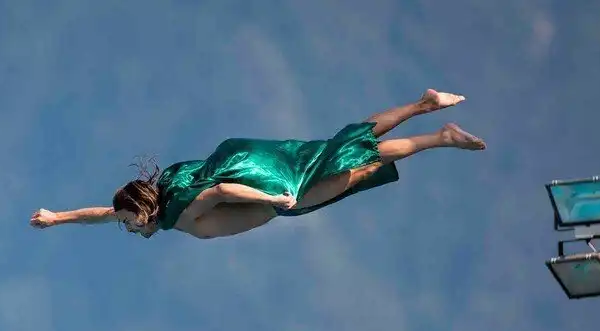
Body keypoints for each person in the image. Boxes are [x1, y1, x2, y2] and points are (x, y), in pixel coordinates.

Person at [29, 89, 486, 240]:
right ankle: (424, 106)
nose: (128, 228)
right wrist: (57, 217)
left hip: (273, 189)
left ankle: (440, 136)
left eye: (129, 224)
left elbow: (220, 193)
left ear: (144, 213)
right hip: (253, 159)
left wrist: (275, 198)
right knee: (338, 148)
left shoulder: (180, 215)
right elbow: (102, 213)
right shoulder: (161, 194)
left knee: (352, 169)